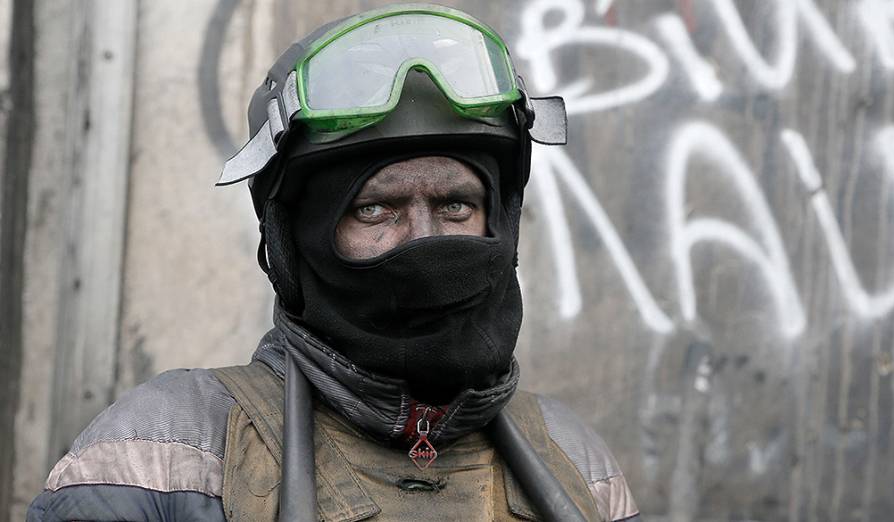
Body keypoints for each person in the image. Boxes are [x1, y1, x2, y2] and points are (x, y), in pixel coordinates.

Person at [28, 4, 639, 521]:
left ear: (500, 223)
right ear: (295, 241)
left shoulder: (576, 463)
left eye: (456, 204)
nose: (421, 239)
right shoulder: (165, 450)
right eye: (375, 210)